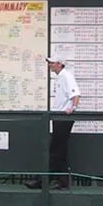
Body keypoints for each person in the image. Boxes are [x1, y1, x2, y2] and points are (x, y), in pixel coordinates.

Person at [26, 55, 81, 190]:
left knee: (56, 149)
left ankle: (42, 180)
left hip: (63, 117)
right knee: (60, 149)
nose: (50, 65)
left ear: (59, 64)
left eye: (52, 63)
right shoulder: (61, 77)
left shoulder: (66, 76)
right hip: (59, 117)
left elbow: (76, 94)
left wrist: (72, 108)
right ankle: (63, 181)